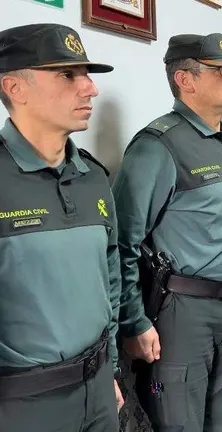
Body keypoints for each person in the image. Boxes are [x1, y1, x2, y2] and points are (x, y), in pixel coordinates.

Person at [113, 33, 222, 432]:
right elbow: (123, 243)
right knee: (181, 420)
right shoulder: (158, 145)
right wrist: (134, 320)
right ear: (185, 80)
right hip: (185, 309)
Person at [0, 23, 122, 431]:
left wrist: (110, 368)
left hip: (98, 387)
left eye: (86, 75)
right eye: (68, 75)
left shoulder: (93, 176)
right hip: (26, 404)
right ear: (15, 88)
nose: (90, 89)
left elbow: (111, 275)